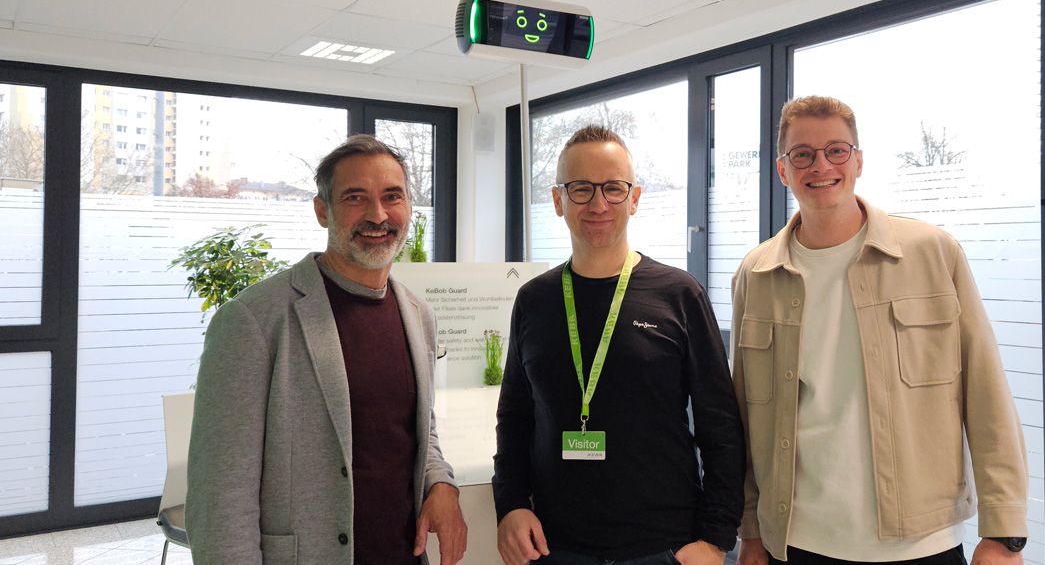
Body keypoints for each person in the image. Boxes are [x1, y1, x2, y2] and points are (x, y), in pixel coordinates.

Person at [732, 96, 1028, 565]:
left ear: (859, 160)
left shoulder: (932, 252)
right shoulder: (757, 272)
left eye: (837, 150)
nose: (821, 165)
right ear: (782, 170)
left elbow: (986, 390)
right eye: (802, 154)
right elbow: (747, 418)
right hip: (797, 539)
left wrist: (1005, 532)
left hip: (919, 542)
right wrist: (750, 530)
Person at [187, 135, 467, 565]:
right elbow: (221, 496)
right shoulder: (254, 321)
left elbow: (418, 430)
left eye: (392, 196)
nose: (378, 215)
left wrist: (441, 482)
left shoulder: (418, 315)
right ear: (323, 211)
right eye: (356, 198)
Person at [493, 125, 745, 565]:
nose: (598, 203)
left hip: (665, 546)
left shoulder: (679, 294)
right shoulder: (534, 300)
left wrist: (716, 538)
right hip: (555, 546)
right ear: (557, 200)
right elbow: (515, 416)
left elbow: (720, 425)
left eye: (613, 188)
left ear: (634, 197)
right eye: (581, 189)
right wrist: (510, 504)